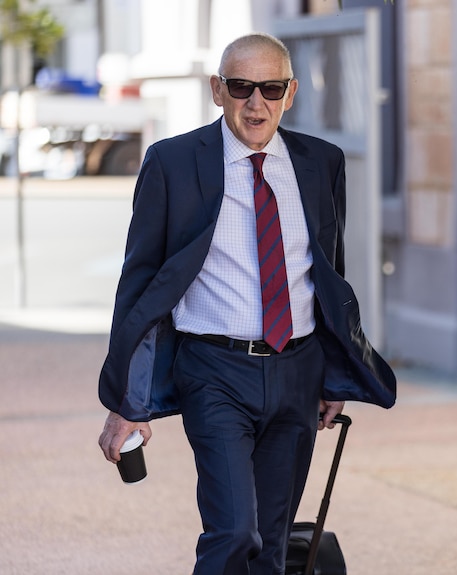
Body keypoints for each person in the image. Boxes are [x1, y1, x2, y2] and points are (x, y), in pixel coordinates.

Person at [97, 32, 396, 575]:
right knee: (234, 531)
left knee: (272, 544)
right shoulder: (173, 162)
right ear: (217, 90)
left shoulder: (321, 162)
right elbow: (138, 285)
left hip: (298, 371)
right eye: (241, 87)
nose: (256, 103)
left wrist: (332, 371)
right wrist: (125, 398)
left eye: (271, 88)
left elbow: (329, 276)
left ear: (291, 92)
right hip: (214, 370)